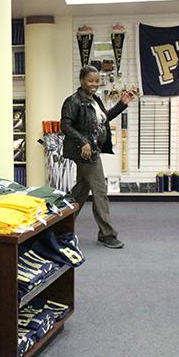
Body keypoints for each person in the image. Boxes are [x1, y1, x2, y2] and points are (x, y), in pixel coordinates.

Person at [60, 65, 136, 249]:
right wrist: (83, 141)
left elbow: (104, 119)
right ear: (82, 81)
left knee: (80, 191)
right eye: (90, 81)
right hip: (85, 152)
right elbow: (65, 125)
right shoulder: (73, 101)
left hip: (93, 149)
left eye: (97, 81)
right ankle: (107, 234)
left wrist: (122, 104)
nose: (94, 84)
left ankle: (60, 228)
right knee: (100, 191)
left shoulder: (95, 100)